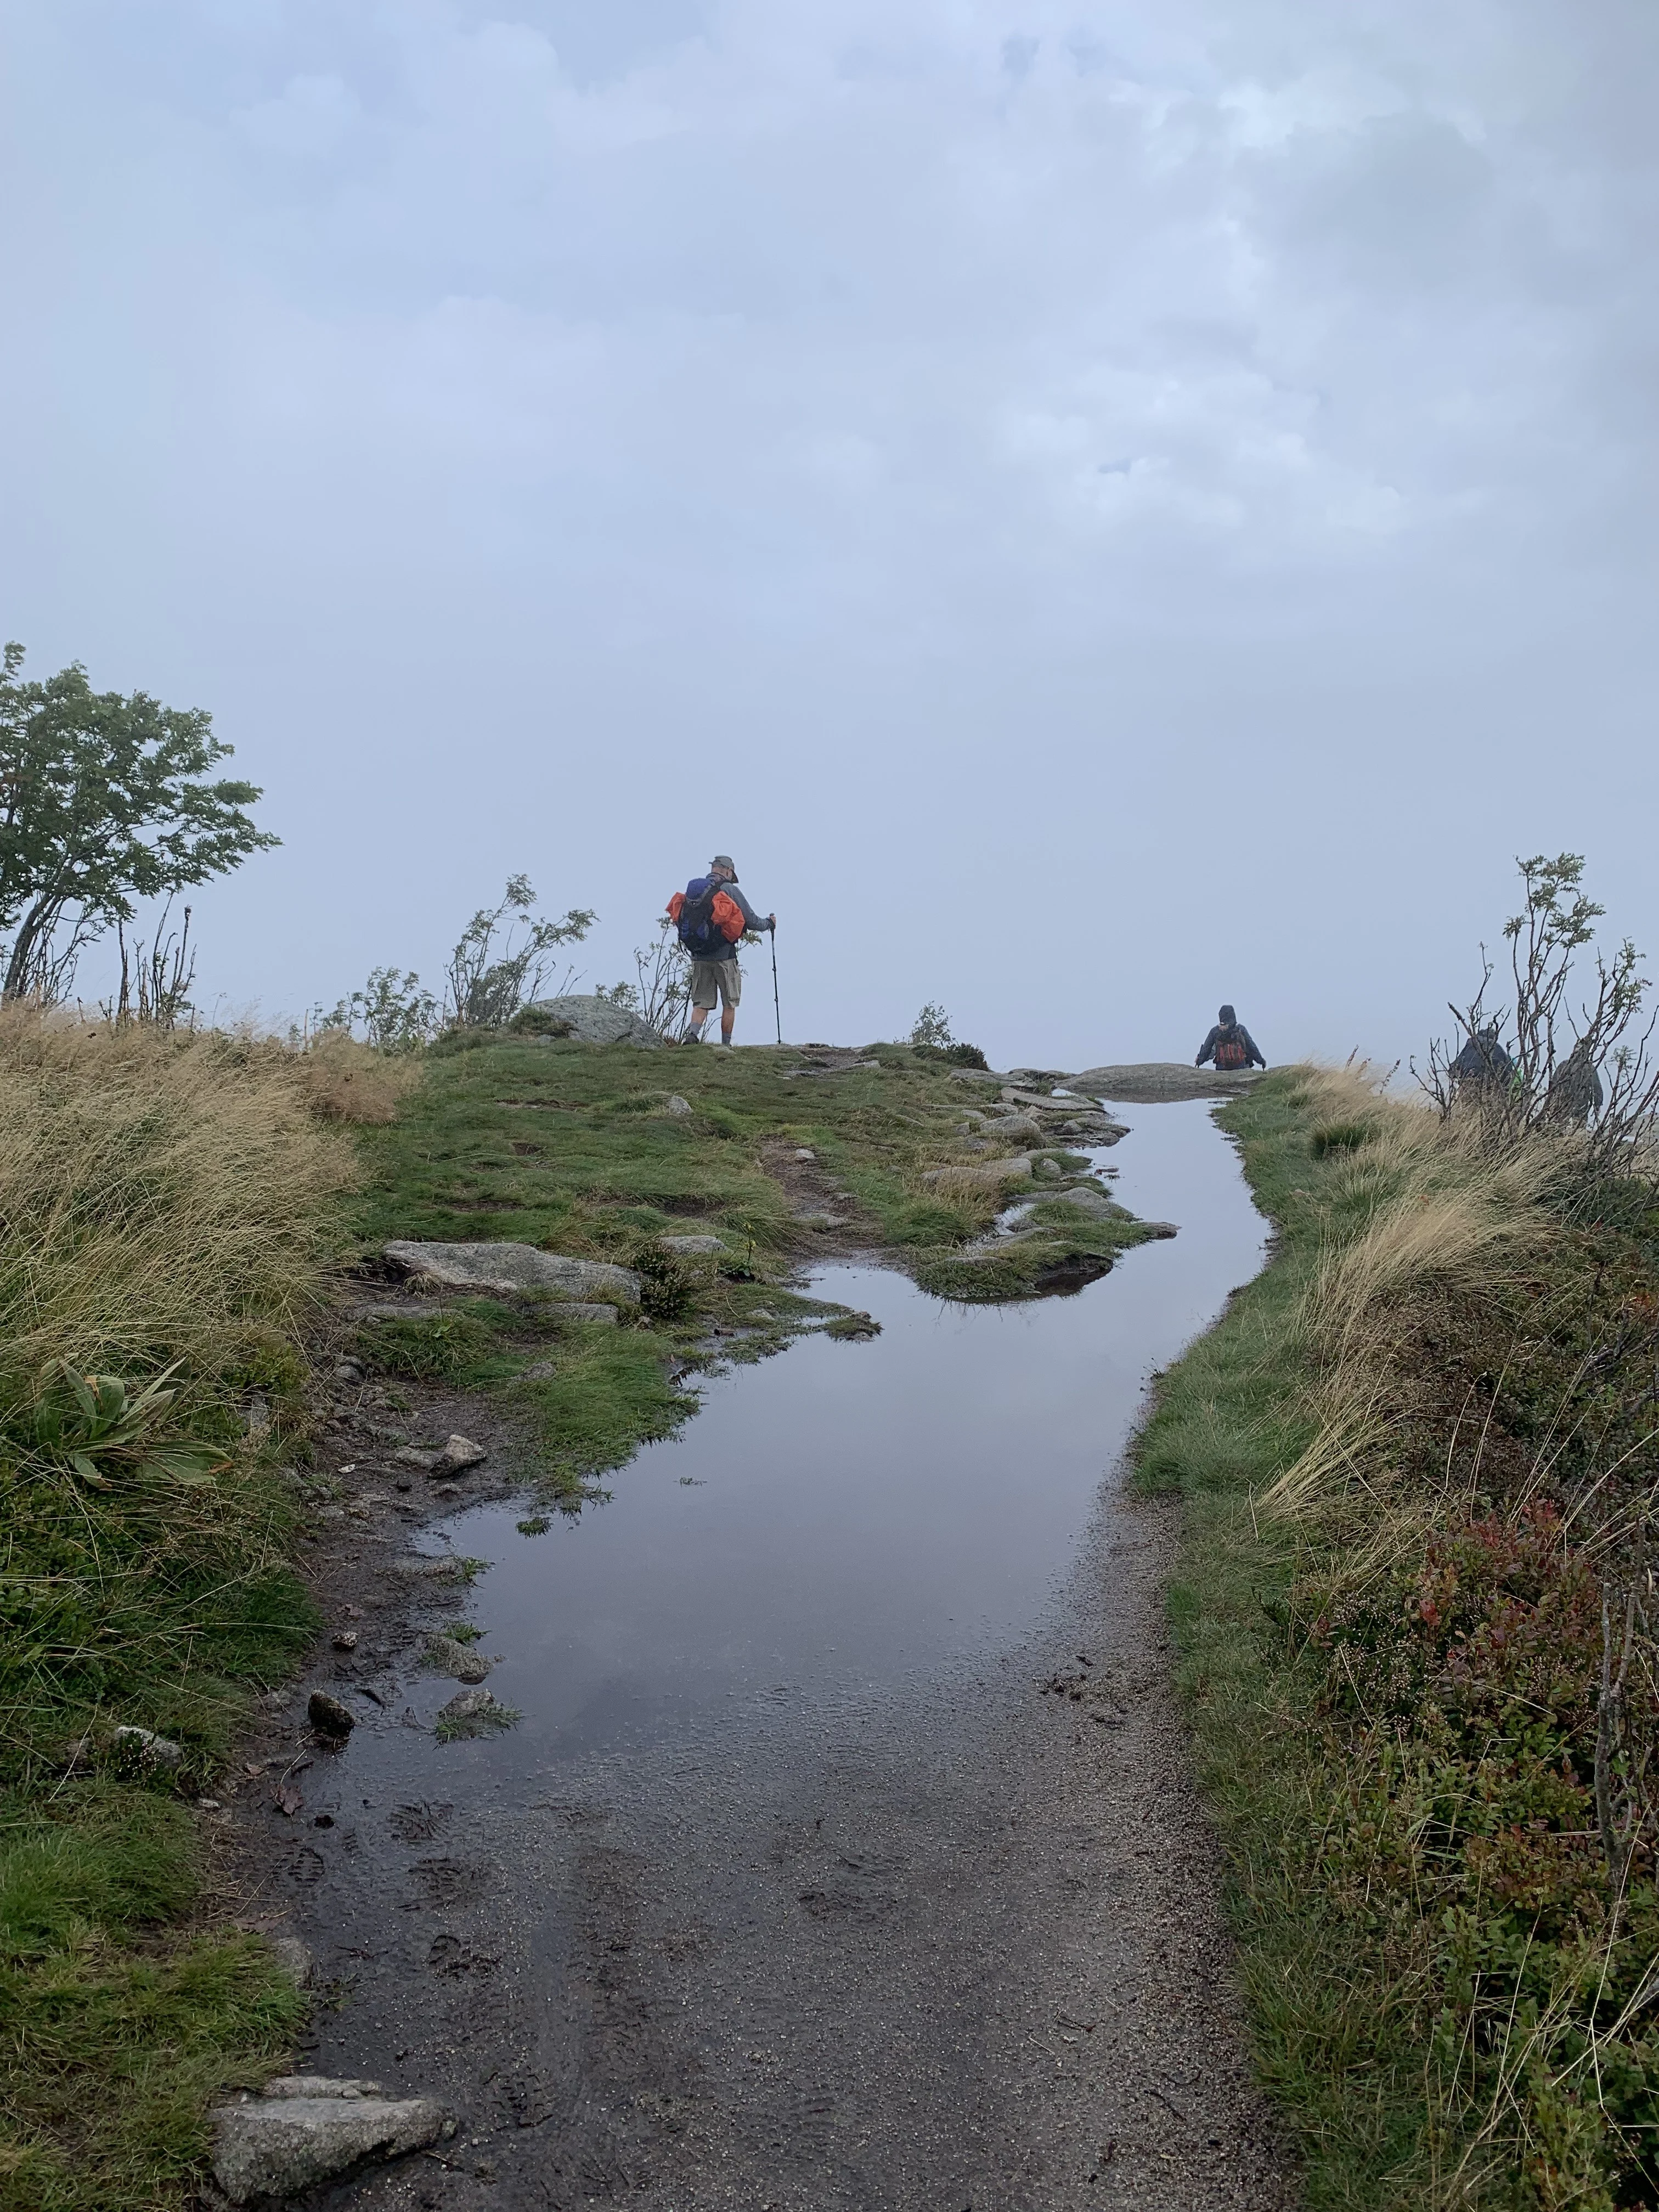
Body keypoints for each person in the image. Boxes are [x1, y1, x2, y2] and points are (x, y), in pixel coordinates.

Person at [668, 854, 774, 1046]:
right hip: (724, 956)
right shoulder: (729, 890)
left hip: (699, 956)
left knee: (701, 1002)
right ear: (728, 871)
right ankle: (725, 1045)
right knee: (729, 1002)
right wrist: (769, 924)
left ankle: (692, 1036)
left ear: (713, 869)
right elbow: (751, 921)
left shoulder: (696, 891)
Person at [1195, 1003, 1266, 1072]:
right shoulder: (1240, 1029)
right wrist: (1261, 1061)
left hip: (1222, 1068)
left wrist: (1199, 1061)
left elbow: (1207, 1048)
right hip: (1240, 1067)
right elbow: (1252, 1046)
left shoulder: (1215, 1031)